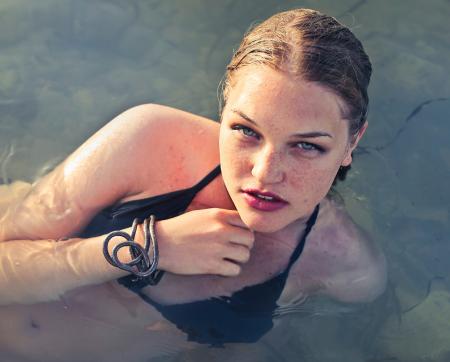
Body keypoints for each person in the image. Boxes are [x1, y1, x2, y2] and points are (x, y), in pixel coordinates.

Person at [0, 7, 386, 358]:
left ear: (352, 142)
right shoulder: (149, 140)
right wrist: (148, 247)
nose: (265, 173)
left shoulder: (347, 272)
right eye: (246, 131)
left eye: (305, 145)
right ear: (223, 112)